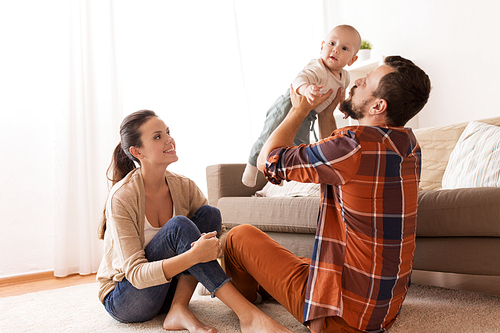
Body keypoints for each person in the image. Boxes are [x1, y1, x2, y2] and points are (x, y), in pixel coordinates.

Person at [224, 56, 431, 332]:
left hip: (343, 318)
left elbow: (268, 161)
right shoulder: (409, 145)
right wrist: (325, 114)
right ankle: (268, 289)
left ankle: (250, 312)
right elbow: (336, 155)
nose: (356, 81)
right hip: (383, 308)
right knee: (305, 262)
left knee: (237, 238)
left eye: (365, 82)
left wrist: (299, 109)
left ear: (378, 106)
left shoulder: (352, 146)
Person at [96, 110, 293, 333]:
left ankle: (178, 308)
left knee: (210, 214)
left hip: (167, 291)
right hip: (127, 298)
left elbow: (216, 230)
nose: (169, 139)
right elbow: (137, 275)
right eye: (158, 136)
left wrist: (233, 254)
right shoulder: (123, 196)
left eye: (168, 132)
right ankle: (247, 315)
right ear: (136, 151)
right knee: (178, 226)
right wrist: (193, 256)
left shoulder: (183, 186)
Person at [242, 24, 362, 187]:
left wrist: (343, 106)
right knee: (268, 135)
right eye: (332, 44)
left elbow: (340, 94)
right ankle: (251, 166)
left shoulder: (345, 76)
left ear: (352, 60)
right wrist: (307, 89)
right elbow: (298, 80)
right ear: (322, 46)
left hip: (309, 114)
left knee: (298, 144)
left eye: (344, 48)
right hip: (290, 105)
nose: (335, 50)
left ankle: (281, 174)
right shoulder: (318, 67)